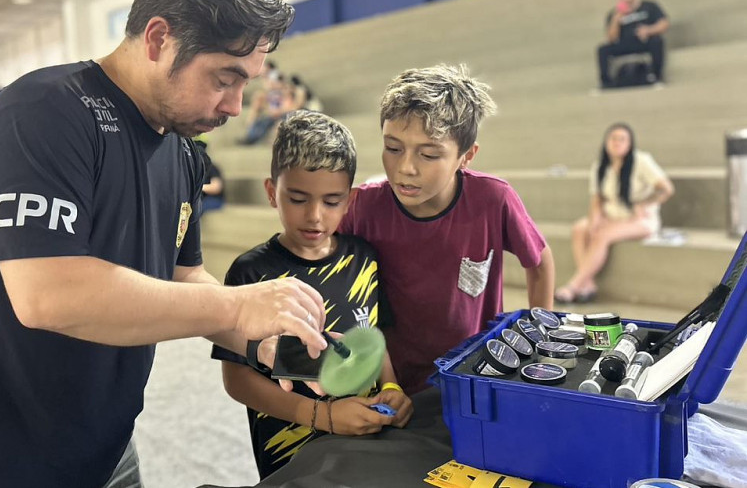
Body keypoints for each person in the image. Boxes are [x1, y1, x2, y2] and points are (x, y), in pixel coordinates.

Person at [0, 0, 331, 488]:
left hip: (105, 447)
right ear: (157, 39)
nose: (235, 106)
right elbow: (48, 293)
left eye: (246, 82)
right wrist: (238, 308)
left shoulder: (183, 150)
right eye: (224, 77)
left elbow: (181, 272)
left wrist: (260, 340)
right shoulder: (42, 113)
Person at [212, 112, 413, 479]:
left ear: (350, 199)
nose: (315, 216)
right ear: (272, 192)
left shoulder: (363, 258)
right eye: (298, 198)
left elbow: (373, 337)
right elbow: (237, 379)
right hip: (291, 462)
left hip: (364, 445)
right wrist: (323, 417)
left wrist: (390, 385)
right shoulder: (250, 273)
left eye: (332, 201)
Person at [338, 64, 555, 395]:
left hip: (472, 378)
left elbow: (539, 262)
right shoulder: (362, 207)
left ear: (466, 156)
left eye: (428, 154)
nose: (405, 168)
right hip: (392, 381)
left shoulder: (493, 199)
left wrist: (539, 338)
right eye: (393, 148)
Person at [555, 123, 674, 304]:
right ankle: (588, 284)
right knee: (580, 228)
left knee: (603, 235)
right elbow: (597, 200)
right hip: (613, 218)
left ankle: (574, 285)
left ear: (630, 143)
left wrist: (645, 203)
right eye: (613, 138)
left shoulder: (641, 160)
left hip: (640, 220)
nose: (617, 143)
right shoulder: (601, 166)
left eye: (622, 139)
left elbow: (666, 189)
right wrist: (594, 220)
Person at [597, 0, 669, 88]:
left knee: (657, 41)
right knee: (602, 49)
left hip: (644, 41)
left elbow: (664, 23)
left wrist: (649, 30)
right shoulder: (614, 13)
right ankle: (606, 83)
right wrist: (616, 20)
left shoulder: (649, 6)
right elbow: (611, 38)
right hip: (624, 44)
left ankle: (656, 77)